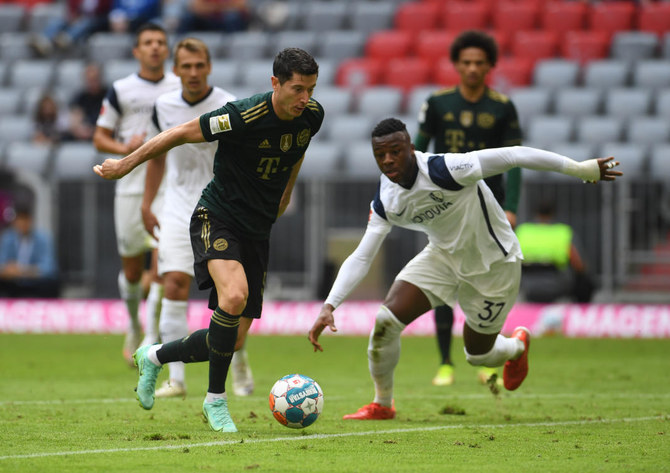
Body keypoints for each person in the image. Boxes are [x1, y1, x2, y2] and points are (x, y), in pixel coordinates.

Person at [308, 118, 621, 420]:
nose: (388, 160)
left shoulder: (447, 169)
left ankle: (516, 346)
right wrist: (329, 305)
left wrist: (580, 168)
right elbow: (362, 256)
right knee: (385, 322)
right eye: (380, 154)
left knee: (479, 355)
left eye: (395, 151)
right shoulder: (386, 199)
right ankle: (382, 404)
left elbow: (514, 155)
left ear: (411, 149)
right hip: (442, 257)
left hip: (494, 264)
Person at [94, 47, 323, 433]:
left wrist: (284, 196)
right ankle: (215, 400)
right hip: (217, 217)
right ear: (275, 83)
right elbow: (179, 133)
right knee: (233, 297)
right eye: (297, 89)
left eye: (311, 89)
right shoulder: (242, 115)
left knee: (231, 339)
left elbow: (296, 150)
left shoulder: (312, 115)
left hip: (257, 228)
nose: (305, 98)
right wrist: (125, 164)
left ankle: (154, 356)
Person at [140, 37, 254, 400]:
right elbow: (157, 156)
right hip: (176, 206)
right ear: (175, 69)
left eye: (199, 65)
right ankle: (176, 380)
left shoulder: (229, 104)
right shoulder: (163, 106)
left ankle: (239, 357)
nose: (192, 72)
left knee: (228, 296)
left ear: (209, 67)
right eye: (186, 66)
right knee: (174, 283)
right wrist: (147, 203)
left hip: (220, 206)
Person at [414, 30, 523, 388]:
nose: (473, 68)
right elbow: (416, 152)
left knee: (488, 280)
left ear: (490, 66)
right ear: (456, 65)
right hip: (446, 207)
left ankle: (488, 355)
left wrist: (511, 207)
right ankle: (445, 363)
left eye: (479, 62)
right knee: (445, 279)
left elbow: (515, 161)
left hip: (489, 210)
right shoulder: (437, 103)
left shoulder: (502, 107)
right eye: (466, 62)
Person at [93, 22, 180, 366]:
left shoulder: (179, 86)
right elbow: (99, 137)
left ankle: (150, 336)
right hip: (130, 185)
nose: (155, 47)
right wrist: (123, 148)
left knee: (162, 263)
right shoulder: (121, 89)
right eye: (148, 42)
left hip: (169, 184)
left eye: (160, 42)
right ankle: (133, 324)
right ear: (137, 50)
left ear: (167, 49)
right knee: (132, 271)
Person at [517, 199, 595, 303]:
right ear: (552, 214)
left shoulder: (523, 231)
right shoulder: (563, 232)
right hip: (557, 284)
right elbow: (578, 264)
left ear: (536, 214)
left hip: (526, 285)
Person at [0, 198, 59, 298]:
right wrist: (8, 270)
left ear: (31, 221)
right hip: (13, 283)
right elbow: (2, 264)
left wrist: (23, 271)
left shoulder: (43, 238)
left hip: (36, 282)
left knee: (51, 283)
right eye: (20, 220)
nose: (22, 224)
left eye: (25, 220)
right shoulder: (7, 238)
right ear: (14, 222)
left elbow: (49, 267)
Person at [30, 0, 111, 56]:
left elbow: (105, 12)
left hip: (96, 21)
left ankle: (67, 38)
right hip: (78, 19)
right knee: (59, 21)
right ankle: (44, 39)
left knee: (85, 23)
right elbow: (72, 9)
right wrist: (74, 17)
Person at [67, 63, 107, 142]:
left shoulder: (109, 96)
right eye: (89, 80)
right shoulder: (79, 97)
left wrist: (95, 131)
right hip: (84, 134)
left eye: (95, 79)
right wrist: (81, 130)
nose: (92, 83)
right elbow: (75, 121)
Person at [176, 0, 250, 34]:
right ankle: (179, 46)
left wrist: (214, 8)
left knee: (232, 18)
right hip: (207, 20)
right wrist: (221, 7)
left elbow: (241, 6)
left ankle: (228, 50)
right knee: (187, 18)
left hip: (226, 21)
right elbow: (196, 7)